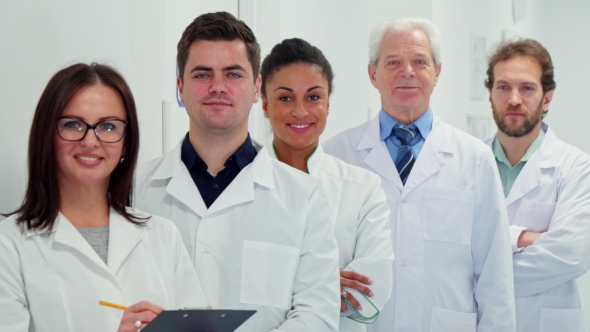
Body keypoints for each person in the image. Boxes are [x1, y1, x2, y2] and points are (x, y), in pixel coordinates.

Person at [134, 12, 340, 332]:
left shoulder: (305, 197)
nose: (218, 87)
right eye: (202, 74)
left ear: (257, 88)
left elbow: (318, 314)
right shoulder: (136, 188)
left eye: (233, 74)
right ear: (180, 87)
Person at [323, 17, 516, 331]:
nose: (407, 72)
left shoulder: (475, 159)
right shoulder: (336, 155)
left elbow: (495, 274)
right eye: (393, 62)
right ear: (372, 74)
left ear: (437, 72)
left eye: (419, 61)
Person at [0, 63, 206, 332]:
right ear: (47, 135)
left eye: (108, 126)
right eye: (73, 124)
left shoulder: (162, 236)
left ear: (126, 142)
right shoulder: (9, 246)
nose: (90, 141)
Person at [260, 38, 394, 331]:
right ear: (265, 105)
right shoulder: (240, 183)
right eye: (285, 98)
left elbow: (373, 287)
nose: (300, 111)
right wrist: (321, 281)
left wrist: (280, 281)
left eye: (313, 97)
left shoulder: (362, 188)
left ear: (328, 104)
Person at [485, 38, 590, 332]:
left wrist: (481, 271)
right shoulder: (468, 163)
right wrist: (524, 238)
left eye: (527, 88)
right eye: (503, 86)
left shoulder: (576, 167)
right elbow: (449, 248)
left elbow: (570, 256)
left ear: (547, 98)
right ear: (490, 94)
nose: (514, 99)